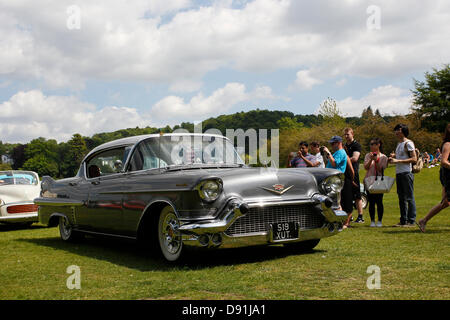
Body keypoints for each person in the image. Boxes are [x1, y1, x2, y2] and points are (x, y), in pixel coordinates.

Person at [417, 124, 450, 232]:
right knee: (445, 202)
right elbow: (443, 161)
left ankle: (423, 220)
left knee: (445, 203)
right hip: (448, 175)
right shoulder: (448, 145)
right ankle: (424, 220)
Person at [388, 124, 418, 227]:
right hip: (399, 173)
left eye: (398, 130)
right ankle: (403, 220)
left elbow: (414, 159)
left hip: (406, 173)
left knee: (409, 197)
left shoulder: (408, 143)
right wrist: (394, 157)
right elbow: (402, 155)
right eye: (395, 130)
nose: (396, 132)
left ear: (404, 131)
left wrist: (398, 160)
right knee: (401, 198)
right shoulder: (399, 144)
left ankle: (411, 220)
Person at [322, 136, 354, 228]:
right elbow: (328, 163)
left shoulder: (341, 152)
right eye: (331, 143)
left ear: (339, 143)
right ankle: (336, 221)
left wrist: (328, 152)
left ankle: (340, 223)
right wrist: (325, 155)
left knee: (337, 202)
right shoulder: (336, 153)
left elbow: (334, 163)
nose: (331, 145)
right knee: (333, 202)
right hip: (331, 179)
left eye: (333, 143)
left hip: (336, 180)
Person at [363, 138, 388, 227]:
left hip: (379, 182)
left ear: (378, 145)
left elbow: (380, 169)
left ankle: (379, 221)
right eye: (370, 144)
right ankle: (372, 221)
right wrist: (370, 159)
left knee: (379, 201)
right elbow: (366, 167)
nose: (371, 146)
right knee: (371, 202)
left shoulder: (384, 157)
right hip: (369, 180)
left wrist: (376, 160)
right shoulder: (367, 155)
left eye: (373, 144)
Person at [344, 128, 364, 223]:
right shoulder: (344, 146)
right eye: (345, 135)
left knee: (357, 195)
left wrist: (343, 161)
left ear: (352, 134)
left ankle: (360, 216)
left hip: (354, 173)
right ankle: (349, 215)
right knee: (347, 195)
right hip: (345, 172)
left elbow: (355, 158)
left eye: (348, 134)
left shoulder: (356, 145)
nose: (346, 136)